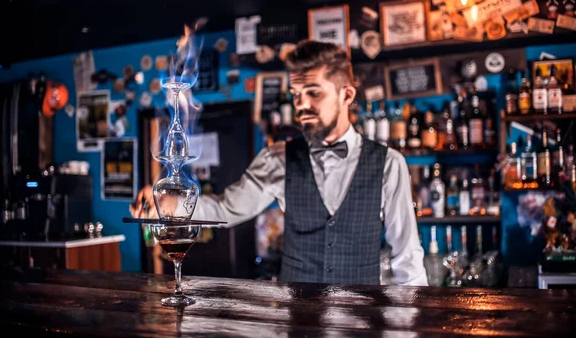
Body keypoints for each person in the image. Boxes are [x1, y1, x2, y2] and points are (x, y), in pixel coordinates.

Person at [131, 40, 428, 286]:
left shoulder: (390, 164)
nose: (301, 104)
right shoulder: (278, 159)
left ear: (346, 94)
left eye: (313, 93)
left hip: (364, 324)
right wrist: (168, 203)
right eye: (296, 94)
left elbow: (407, 258)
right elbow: (224, 208)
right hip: (296, 324)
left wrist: (412, 329)